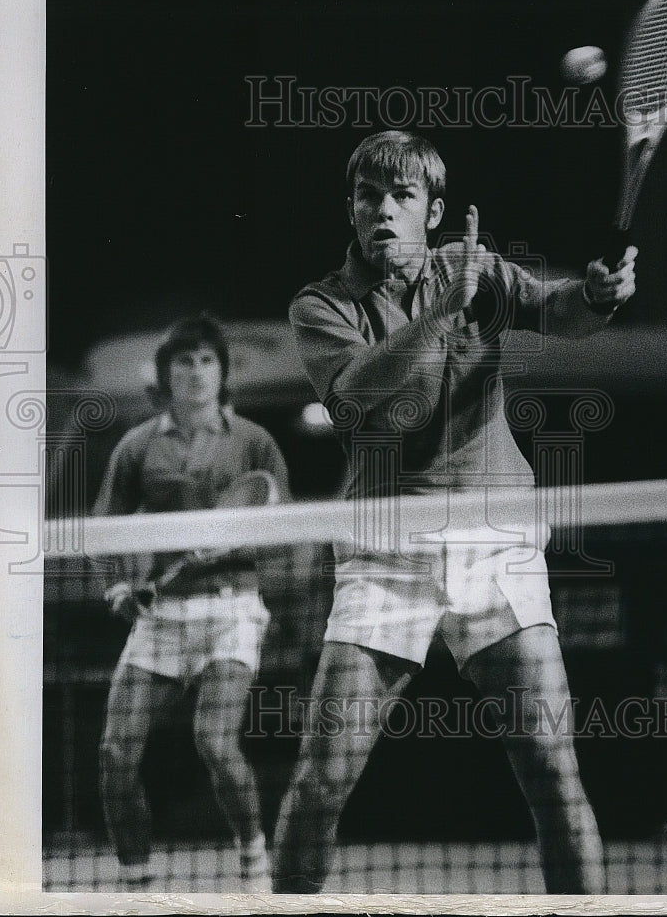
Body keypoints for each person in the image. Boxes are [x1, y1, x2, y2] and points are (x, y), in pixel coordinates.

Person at [272, 130, 637, 894]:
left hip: (494, 542)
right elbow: (363, 391)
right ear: (350, 207)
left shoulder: (479, 271)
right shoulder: (320, 305)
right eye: (368, 195)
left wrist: (596, 296)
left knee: (551, 771)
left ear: (433, 211)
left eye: (401, 196)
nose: (382, 210)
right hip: (386, 551)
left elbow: (556, 308)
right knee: (317, 784)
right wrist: (441, 312)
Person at [95, 314, 290, 891]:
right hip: (163, 616)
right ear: (166, 375)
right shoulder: (137, 446)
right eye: (185, 361)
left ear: (223, 373)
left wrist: (236, 539)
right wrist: (118, 586)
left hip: (232, 611)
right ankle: (139, 884)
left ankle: (254, 857)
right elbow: (104, 526)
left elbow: (283, 521)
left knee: (214, 740)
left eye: (208, 360)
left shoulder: (254, 440)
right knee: (114, 755)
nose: (197, 372)